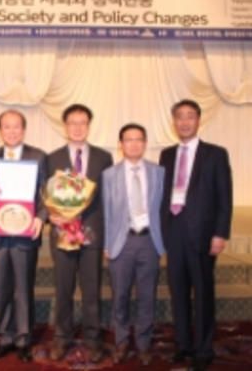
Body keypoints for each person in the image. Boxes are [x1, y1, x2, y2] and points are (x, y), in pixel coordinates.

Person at [160, 99, 232, 371]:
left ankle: (203, 350)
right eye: (180, 117)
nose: (185, 122)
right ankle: (182, 344)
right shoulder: (167, 154)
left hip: (202, 232)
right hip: (174, 230)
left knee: (202, 292)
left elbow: (225, 198)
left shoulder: (215, 154)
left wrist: (220, 233)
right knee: (177, 290)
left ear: (199, 120)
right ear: (174, 122)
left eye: (190, 116)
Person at [46, 104, 113, 363]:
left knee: (91, 289)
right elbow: (43, 193)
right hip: (62, 232)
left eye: (82, 123)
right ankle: (62, 337)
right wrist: (51, 214)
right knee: (63, 288)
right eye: (72, 123)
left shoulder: (103, 158)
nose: (77, 127)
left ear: (88, 126)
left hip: (92, 233)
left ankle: (93, 339)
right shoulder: (52, 158)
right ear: (65, 126)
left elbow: (107, 197)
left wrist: (107, 234)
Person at [0, 109, 47, 362]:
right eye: (6, 127)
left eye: (16, 126)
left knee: (24, 287)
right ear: (0, 130)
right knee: (2, 287)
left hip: (25, 231)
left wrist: (41, 217)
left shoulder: (38, 156)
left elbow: (45, 194)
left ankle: (23, 338)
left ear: (24, 129)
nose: (11, 131)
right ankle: (5, 337)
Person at [102, 124, 165, 367]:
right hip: (122, 241)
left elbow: (163, 209)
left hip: (149, 240)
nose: (134, 144)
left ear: (145, 143)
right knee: (120, 296)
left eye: (139, 139)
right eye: (129, 139)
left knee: (147, 296)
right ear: (121, 144)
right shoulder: (110, 175)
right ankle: (121, 342)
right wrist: (107, 243)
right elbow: (107, 212)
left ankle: (143, 344)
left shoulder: (159, 172)